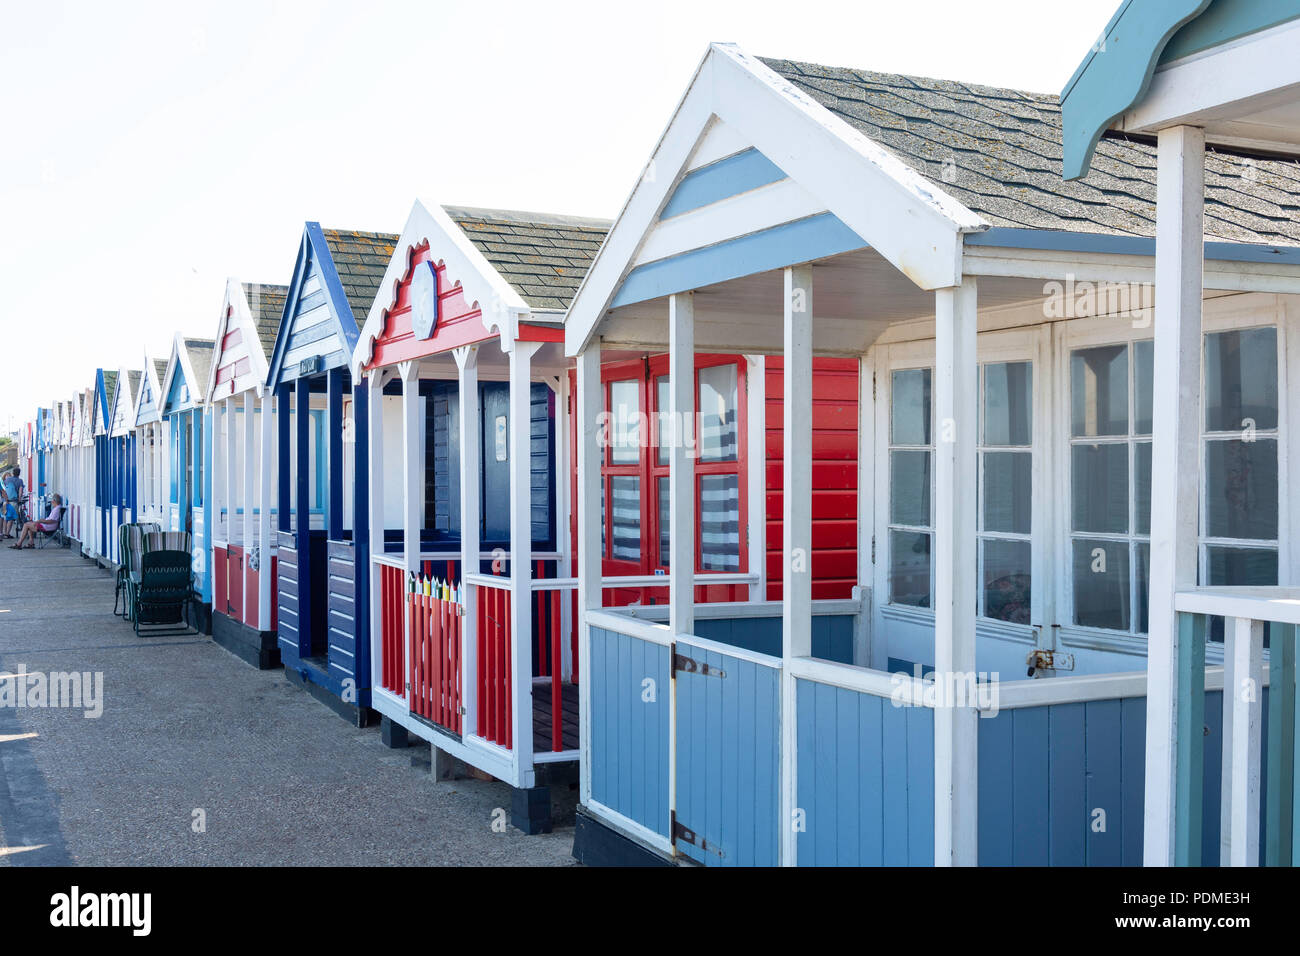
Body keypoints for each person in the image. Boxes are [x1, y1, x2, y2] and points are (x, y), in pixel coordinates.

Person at [2, 467, 23, 539]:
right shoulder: (20, 481)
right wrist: (19, 499)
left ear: (13, 473)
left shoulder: (7, 479)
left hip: (5, 501)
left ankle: (4, 533)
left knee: (5, 517)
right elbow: (20, 491)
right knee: (11, 518)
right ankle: (7, 533)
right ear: (19, 473)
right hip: (13, 501)